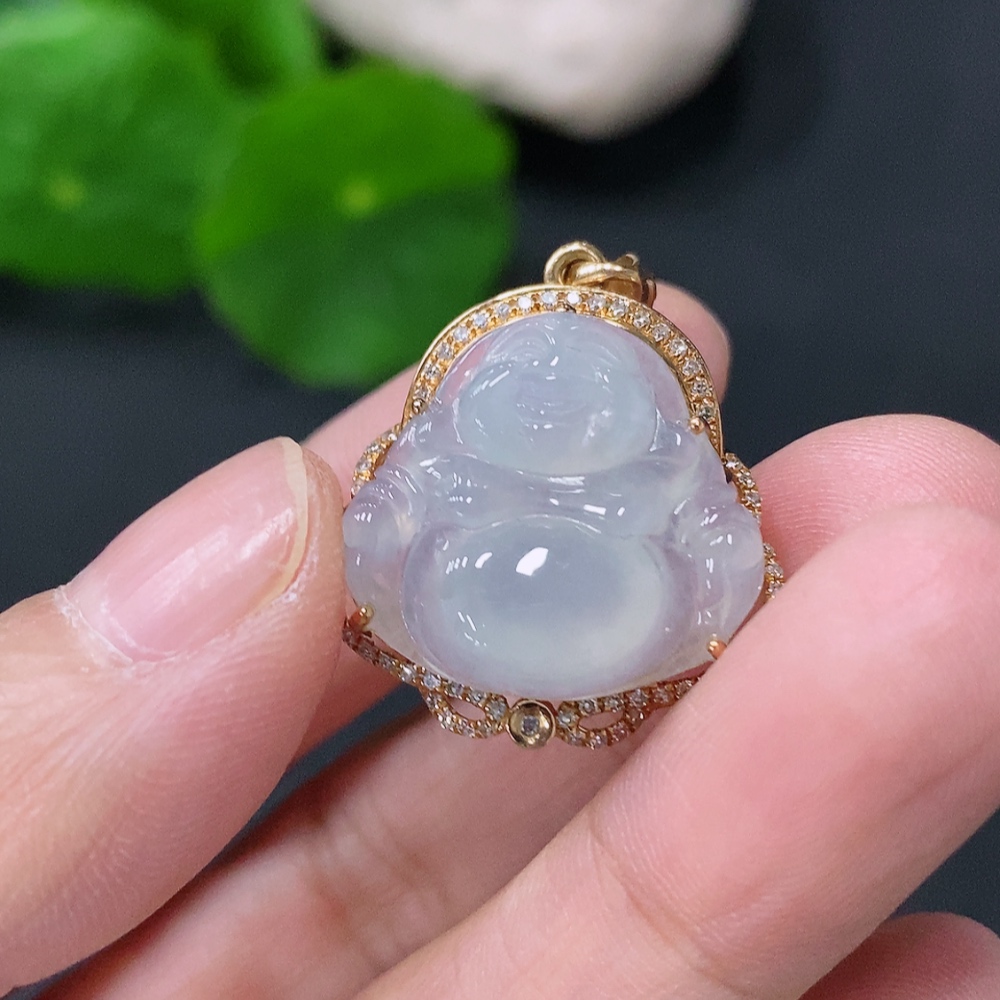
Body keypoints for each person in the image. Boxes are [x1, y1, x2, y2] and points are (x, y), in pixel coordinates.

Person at [3, 284, 1000, 999]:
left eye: (581, 387)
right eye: (528, 380)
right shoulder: (446, 461)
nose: (550, 400)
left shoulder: (661, 467)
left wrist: (710, 551)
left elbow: (718, 541)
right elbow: (383, 523)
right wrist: (390, 527)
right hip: (463, 597)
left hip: (621, 603)